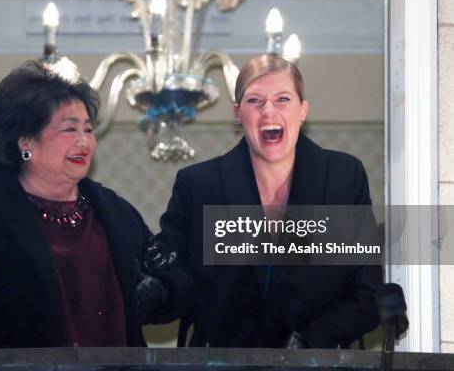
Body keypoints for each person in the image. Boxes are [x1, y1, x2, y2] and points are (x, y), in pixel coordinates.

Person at [0, 59, 192, 349]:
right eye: (70, 129)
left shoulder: (114, 210)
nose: (85, 142)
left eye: (88, 130)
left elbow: (175, 282)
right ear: (26, 141)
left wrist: (151, 293)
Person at [157, 54, 382, 348]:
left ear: (303, 111)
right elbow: (176, 281)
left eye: (283, 99)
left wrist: (310, 341)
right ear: (237, 113)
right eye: (254, 101)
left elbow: (367, 294)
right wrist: (153, 287)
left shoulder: (342, 178)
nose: (268, 111)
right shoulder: (199, 185)